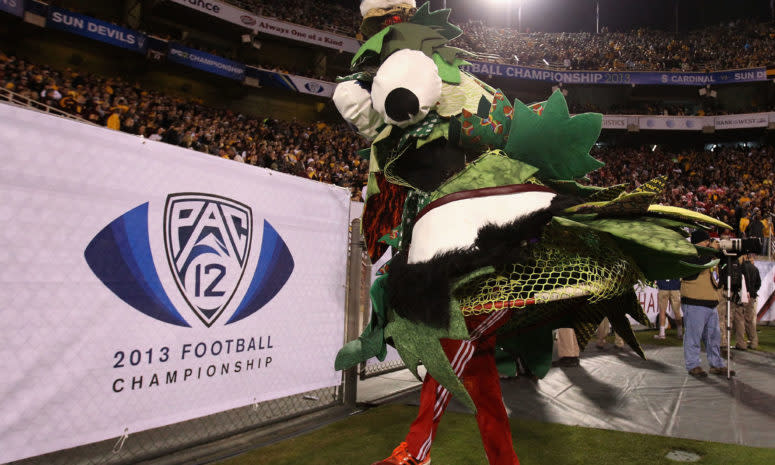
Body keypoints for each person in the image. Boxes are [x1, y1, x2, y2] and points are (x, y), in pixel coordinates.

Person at [680, 230, 734, 378]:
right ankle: (693, 364)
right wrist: (711, 253)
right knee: (693, 337)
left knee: (714, 338)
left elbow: (719, 277)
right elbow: (696, 267)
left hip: (711, 303)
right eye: (706, 241)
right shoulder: (688, 254)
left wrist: (723, 256)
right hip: (694, 302)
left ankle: (716, 364)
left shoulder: (711, 257)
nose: (709, 243)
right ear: (699, 242)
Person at [733, 253, 761, 350]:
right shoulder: (755, 268)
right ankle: (753, 342)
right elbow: (759, 283)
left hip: (741, 296)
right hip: (752, 296)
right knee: (749, 320)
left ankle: (741, 343)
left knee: (739, 319)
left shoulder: (739, 267)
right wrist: (753, 292)